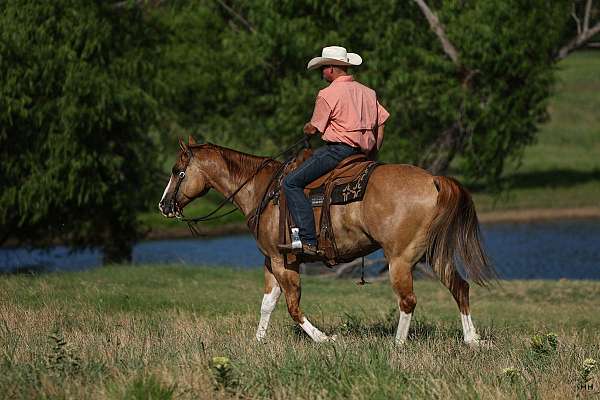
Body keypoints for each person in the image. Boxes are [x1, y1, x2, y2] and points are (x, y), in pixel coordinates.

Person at [278, 46, 390, 256]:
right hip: (363, 155)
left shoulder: (328, 94)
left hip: (338, 152)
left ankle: (308, 240)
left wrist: (307, 129)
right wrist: (373, 152)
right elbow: (381, 124)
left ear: (331, 68)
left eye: (323, 68)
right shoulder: (369, 92)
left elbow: (315, 127)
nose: (322, 72)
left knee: (291, 182)